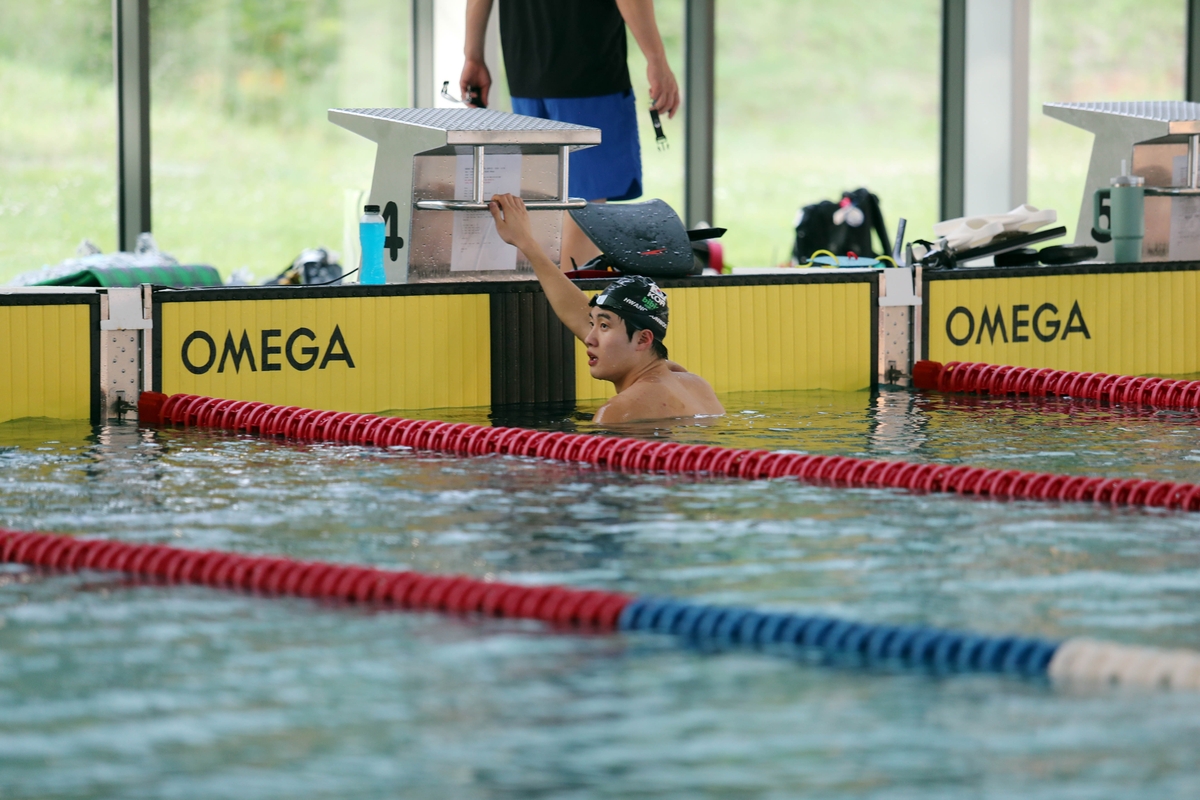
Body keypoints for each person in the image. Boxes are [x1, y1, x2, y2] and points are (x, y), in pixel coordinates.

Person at [460, 0, 680, 271]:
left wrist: (473, 55)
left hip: (525, 69)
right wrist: (657, 59)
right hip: (587, 69)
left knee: (543, 205)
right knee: (584, 207)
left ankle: (541, 304)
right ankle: (562, 310)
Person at [488, 193, 724, 424]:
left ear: (643, 339)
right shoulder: (694, 384)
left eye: (603, 326)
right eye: (593, 324)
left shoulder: (617, 413)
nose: (589, 338)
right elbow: (577, 313)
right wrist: (526, 243)